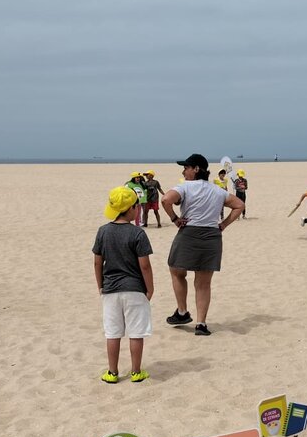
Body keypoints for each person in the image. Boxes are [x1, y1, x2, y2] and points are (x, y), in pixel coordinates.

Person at [161, 153, 244, 336]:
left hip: (189, 233)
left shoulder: (185, 186)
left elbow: (166, 200)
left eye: (186, 168)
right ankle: (201, 324)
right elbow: (239, 205)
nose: (183, 171)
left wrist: (174, 218)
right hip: (212, 236)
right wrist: (223, 225)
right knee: (203, 283)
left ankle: (182, 312)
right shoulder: (218, 190)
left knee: (176, 271)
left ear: (196, 169)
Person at [93, 187, 154, 383]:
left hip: (110, 289)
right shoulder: (138, 233)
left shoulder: (103, 231)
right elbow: (145, 265)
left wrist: (100, 285)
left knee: (113, 333)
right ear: (131, 208)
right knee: (136, 333)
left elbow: (97, 262)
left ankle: (112, 372)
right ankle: (136, 372)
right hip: (134, 288)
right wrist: (150, 288)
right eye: (136, 206)